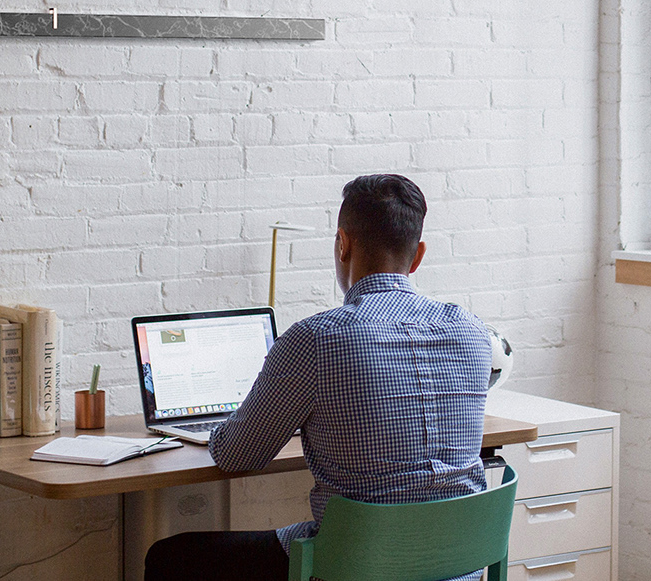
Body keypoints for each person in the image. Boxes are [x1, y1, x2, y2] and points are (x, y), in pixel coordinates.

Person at [144, 173, 493, 581]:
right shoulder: (472, 332)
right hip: (458, 566)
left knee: (171, 558)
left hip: (355, 566)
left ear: (343, 245)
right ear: (417, 256)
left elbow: (238, 455)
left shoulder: (316, 339)